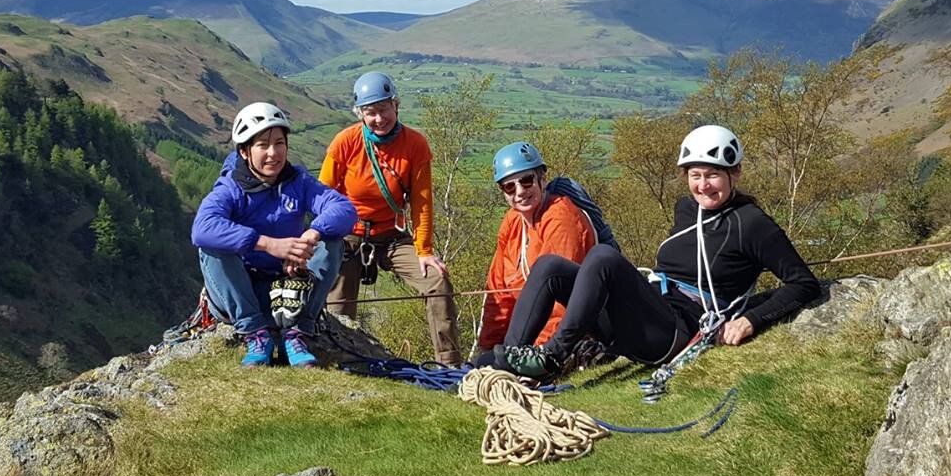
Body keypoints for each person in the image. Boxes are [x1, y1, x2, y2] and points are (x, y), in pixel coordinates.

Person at [489, 125, 821, 379]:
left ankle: (552, 357)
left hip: (676, 332)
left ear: (735, 174)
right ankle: (510, 367)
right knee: (549, 267)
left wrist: (750, 319)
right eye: (695, 176)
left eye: (713, 176)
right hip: (648, 312)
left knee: (604, 258)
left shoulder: (751, 224)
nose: (703, 186)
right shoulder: (687, 210)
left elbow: (804, 283)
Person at [192, 101, 356, 368]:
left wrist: (310, 236)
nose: (273, 153)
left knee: (332, 243)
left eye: (279, 143)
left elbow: (343, 209)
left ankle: (297, 332)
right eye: (263, 145)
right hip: (243, 290)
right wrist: (268, 245)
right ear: (245, 152)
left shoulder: (298, 181)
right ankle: (255, 333)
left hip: (289, 289)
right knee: (212, 249)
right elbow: (202, 229)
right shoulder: (231, 188)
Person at [320, 71, 460, 363]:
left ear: (396, 106)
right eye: (370, 112)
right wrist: (323, 241)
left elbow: (422, 202)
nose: (379, 118)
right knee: (339, 306)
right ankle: (344, 362)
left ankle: (449, 365)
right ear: (360, 114)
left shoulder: (415, 145)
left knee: (436, 281)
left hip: (392, 234)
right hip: (349, 233)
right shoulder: (345, 143)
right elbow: (323, 197)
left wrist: (424, 251)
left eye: (384, 109)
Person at [476, 141, 597, 356]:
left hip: (567, 337)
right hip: (526, 338)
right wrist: (486, 349)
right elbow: (498, 293)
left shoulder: (561, 219)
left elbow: (561, 302)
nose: (520, 192)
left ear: (542, 179)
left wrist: (540, 354)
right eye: (509, 187)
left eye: (526, 181)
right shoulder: (513, 222)